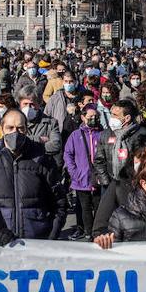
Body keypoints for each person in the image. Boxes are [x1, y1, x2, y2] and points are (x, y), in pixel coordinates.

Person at [0, 109, 64, 241]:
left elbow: (59, 203)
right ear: (2, 130)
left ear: (27, 130)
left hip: (37, 242)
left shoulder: (42, 159)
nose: (15, 132)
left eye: (20, 128)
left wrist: (51, 235)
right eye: (10, 128)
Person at [64, 102, 101, 241]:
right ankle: (88, 232)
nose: (94, 119)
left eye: (96, 116)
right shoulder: (75, 135)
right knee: (85, 208)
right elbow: (68, 154)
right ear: (83, 117)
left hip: (98, 178)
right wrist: (74, 173)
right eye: (90, 116)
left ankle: (97, 231)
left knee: (98, 206)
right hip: (81, 178)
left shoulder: (102, 133)